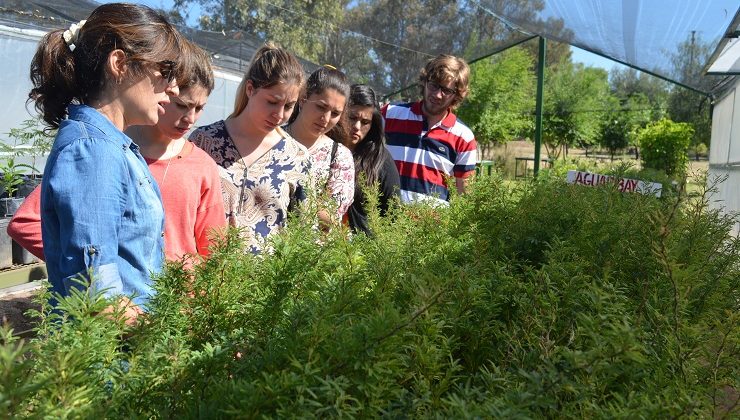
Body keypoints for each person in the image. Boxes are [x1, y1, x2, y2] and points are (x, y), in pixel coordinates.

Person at [27, 3, 184, 320]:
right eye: (165, 72)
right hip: (113, 360)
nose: (173, 87)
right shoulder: (93, 151)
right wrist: (169, 342)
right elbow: (96, 293)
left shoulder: (115, 146)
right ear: (120, 64)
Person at [10, 40, 226, 264]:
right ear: (162, 90)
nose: (190, 119)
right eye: (182, 105)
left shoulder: (202, 166)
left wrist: (185, 276)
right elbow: (26, 222)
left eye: (199, 108)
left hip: (177, 298)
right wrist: (100, 264)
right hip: (114, 296)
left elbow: (217, 253)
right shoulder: (105, 152)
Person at [189, 43, 309, 253]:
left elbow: (304, 231)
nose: (279, 115)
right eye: (272, 102)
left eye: (289, 106)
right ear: (250, 89)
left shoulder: (297, 157)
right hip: (207, 277)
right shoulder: (203, 141)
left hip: (269, 283)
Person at [382, 54, 478, 206]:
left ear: (457, 95)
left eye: (446, 90)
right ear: (425, 82)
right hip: (386, 221)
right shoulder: (391, 113)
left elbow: (465, 194)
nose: (438, 95)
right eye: (433, 85)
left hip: (433, 226)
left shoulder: (464, 137)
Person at [285, 66, 354, 228]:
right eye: (321, 107)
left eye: (335, 113)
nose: (326, 118)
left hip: (310, 250)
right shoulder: (272, 138)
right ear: (303, 99)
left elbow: (331, 216)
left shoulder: (339, 156)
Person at [342, 84, 400, 235]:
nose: (356, 126)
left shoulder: (382, 161)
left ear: (373, 124)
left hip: (362, 251)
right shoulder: (325, 148)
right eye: (352, 117)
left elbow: (393, 217)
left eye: (365, 122)